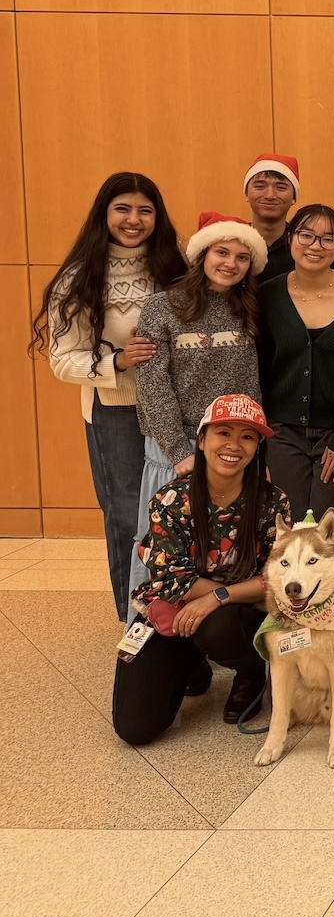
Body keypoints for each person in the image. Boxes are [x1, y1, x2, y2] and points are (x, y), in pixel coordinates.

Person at [31, 173, 187, 621]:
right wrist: (117, 362)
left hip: (174, 409)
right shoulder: (79, 278)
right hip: (114, 411)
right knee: (125, 516)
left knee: (177, 511)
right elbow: (62, 360)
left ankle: (180, 618)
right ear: (104, 213)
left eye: (145, 210)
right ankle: (137, 618)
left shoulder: (175, 267)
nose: (133, 220)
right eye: (123, 208)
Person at [112, 394, 291, 744]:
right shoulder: (170, 500)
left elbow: (281, 579)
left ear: (257, 446)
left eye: (247, 436)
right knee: (134, 728)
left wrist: (220, 598)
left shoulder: (274, 502)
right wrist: (228, 592)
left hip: (234, 617)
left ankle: (251, 671)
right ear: (203, 439)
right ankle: (191, 662)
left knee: (218, 626)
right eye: (223, 432)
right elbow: (170, 581)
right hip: (170, 611)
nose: (234, 445)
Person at [128, 213, 267, 609]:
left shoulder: (248, 308)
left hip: (231, 446)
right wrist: (178, 452)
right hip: (178, 447)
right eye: (222, 252)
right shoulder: (161, 307)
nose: (230, 263)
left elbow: (251, 384)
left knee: (220, 543)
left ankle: (212, 634)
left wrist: (251, 444)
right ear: (202, 254)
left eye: (242, 257)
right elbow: (153, 384)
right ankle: (146, 626)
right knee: (159, 543)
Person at [256, 205, 334, 571]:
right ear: (290, 239)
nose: (316, 245)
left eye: (328, 238)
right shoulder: (268, 296)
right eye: (306, 235)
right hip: (282, 432)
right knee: (293, 521)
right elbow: (259, 366)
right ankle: (297, 605)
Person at [242, 153, 301, 281]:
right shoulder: (233, 243)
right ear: (246, 193)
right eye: (260, 186)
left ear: (294, 197)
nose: (270, 195)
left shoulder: (306, 245)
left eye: (280, 188)